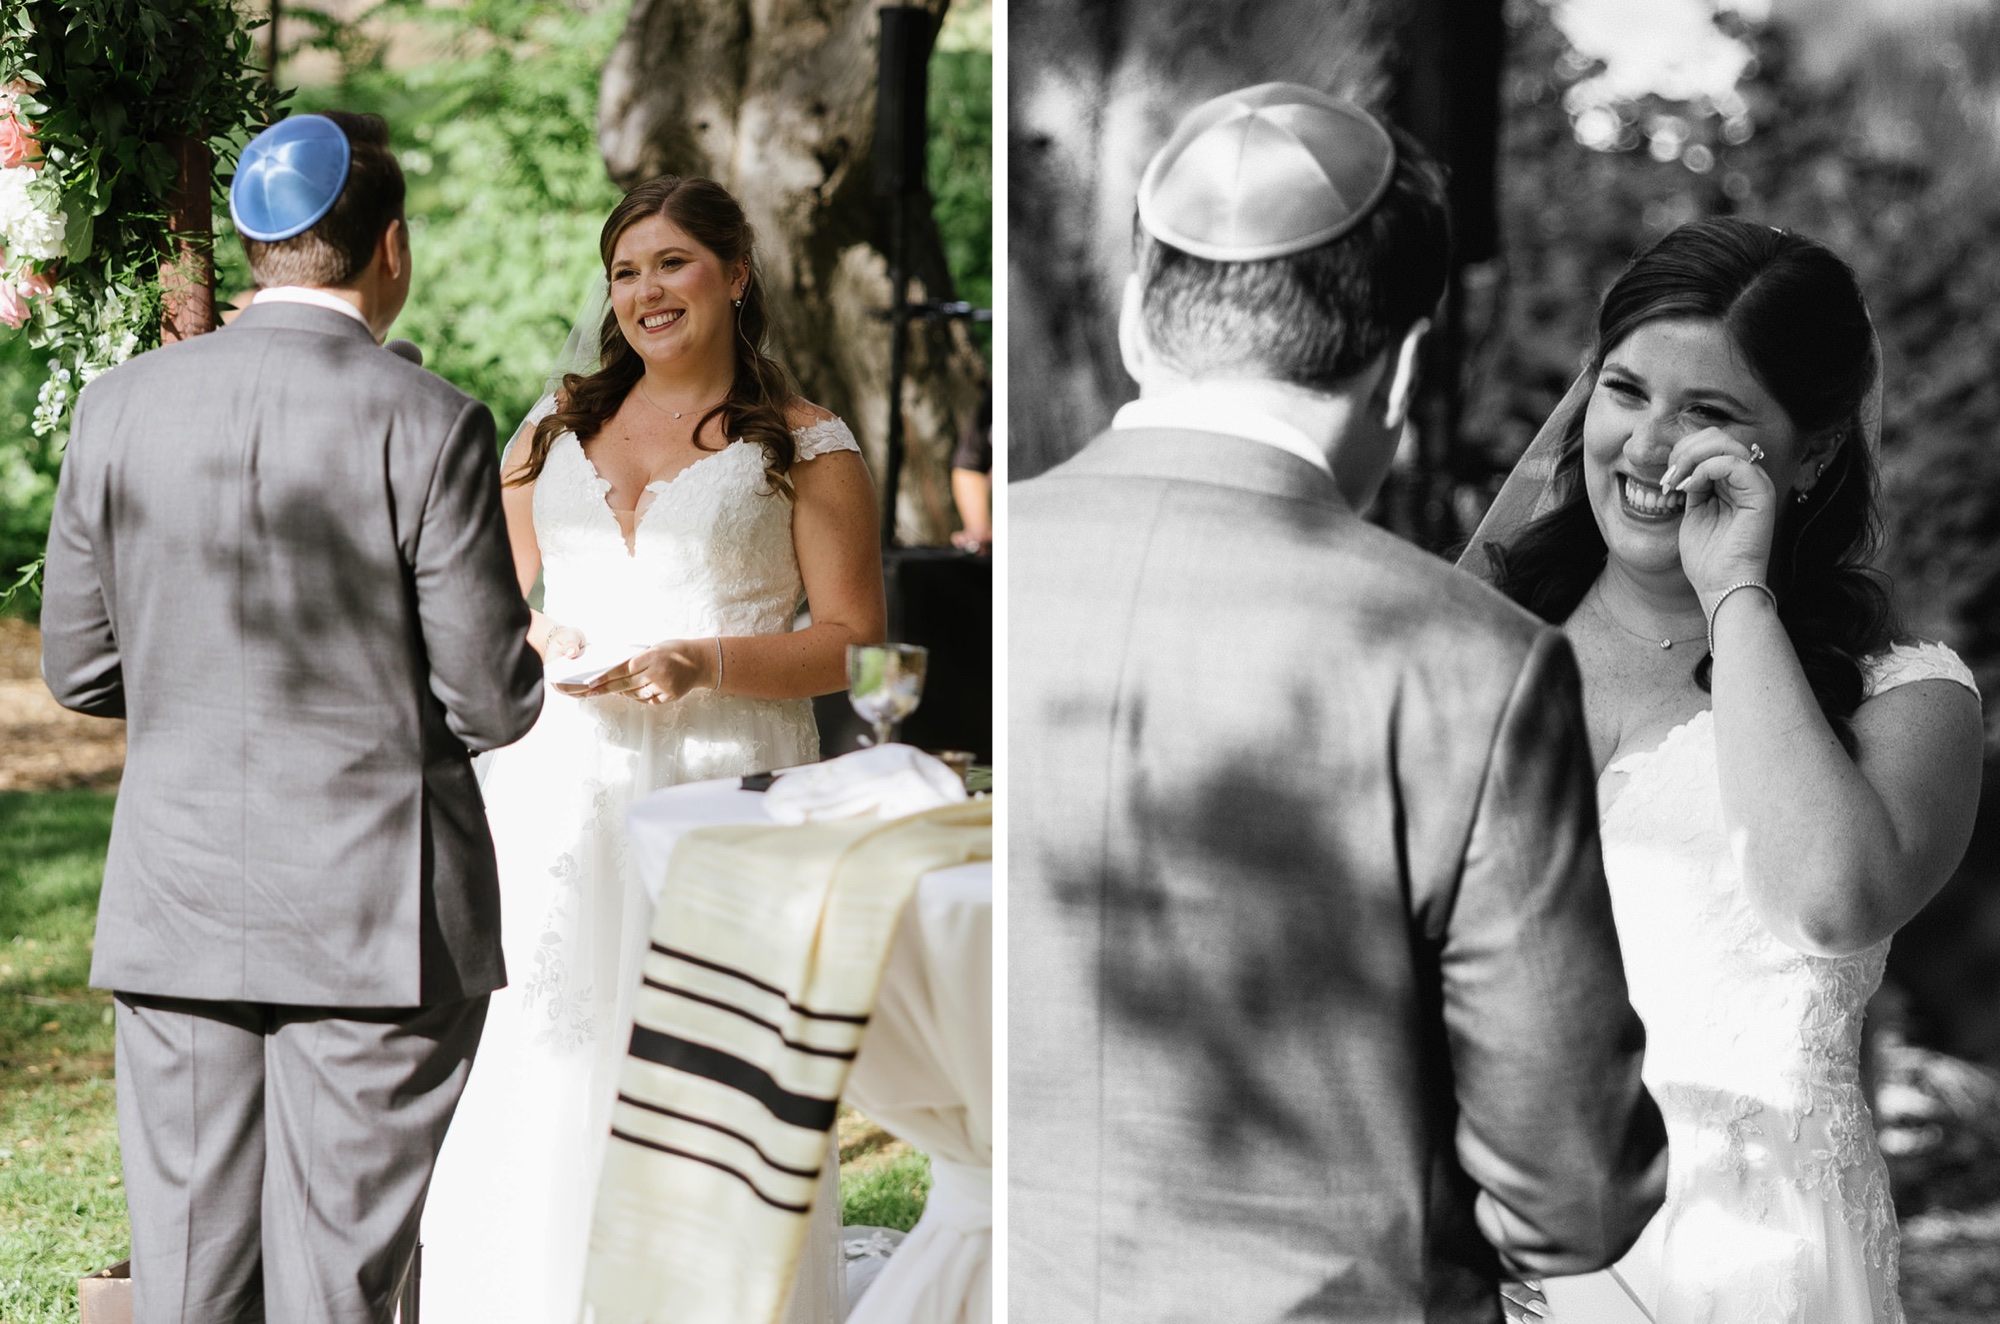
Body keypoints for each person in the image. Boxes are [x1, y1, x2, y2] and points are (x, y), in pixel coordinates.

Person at [1009, 82, 1668, 1324]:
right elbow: (1574, 1191)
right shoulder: (1471, 660)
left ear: (1136, 319)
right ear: (1404, 365)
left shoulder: (997, 572)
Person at [39, 111, 543, 1322]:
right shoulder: (431, 419)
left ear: (255, 248)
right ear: (392, 249)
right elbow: (489, 696)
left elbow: (79, 668)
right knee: (336, 1283)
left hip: (179, 899)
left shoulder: (118, 407)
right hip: (376, 916)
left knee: (188, 1278)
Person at [1465, 217, 1984, 1324]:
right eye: (1624, 391)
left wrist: (1733, 594)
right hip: (1480, 1247)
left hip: (1746, 1265)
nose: (1649, 447)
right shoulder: (1469, 639)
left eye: (1707, 413)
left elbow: (1827, 900)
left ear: (1814, 453)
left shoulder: (1907, 696)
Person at [419, 175, 887, 1323]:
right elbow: (480, 593)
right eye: (625, 272)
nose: (645, 291)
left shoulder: (805, 442)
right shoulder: (554, 425)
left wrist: (701, 659)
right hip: (558, 779)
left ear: (734, 274)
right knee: (550, 1043)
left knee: (712, 1069)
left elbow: (853, 642)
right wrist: (537, 633)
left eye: (672, 262)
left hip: (722, 778)